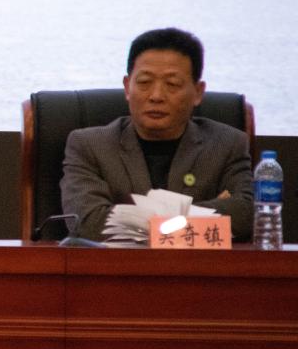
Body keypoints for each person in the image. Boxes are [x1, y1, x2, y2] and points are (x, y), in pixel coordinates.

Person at [61, 27, 253, 242]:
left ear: (198, 92)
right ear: (127, 87)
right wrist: (199, 217)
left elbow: (247, 214)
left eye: (172, 84)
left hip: (199, 263)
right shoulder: (90, 145)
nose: (156, 96)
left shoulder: (226, 144)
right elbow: (88, 223)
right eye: (144, 82)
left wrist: (137, 221)